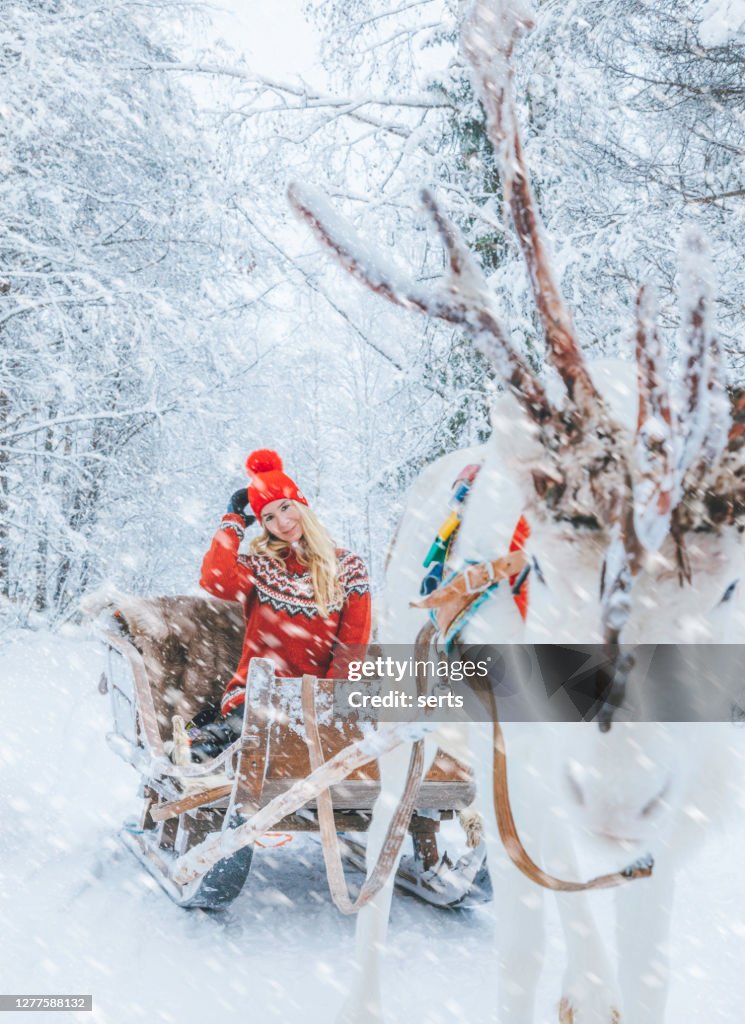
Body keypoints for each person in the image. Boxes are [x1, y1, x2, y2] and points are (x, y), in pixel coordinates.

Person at [191, 449, 372, 761]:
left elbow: (351, 649)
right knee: (242, 734)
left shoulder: (348, 569)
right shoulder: (262, 567)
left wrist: (324, 708)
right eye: (269, 517)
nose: (283, 522)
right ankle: (210, 745)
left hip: (317, 702)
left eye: (286, 507)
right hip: (256, 699)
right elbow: (215, 579)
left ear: (301, 504)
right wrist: (233, 519)